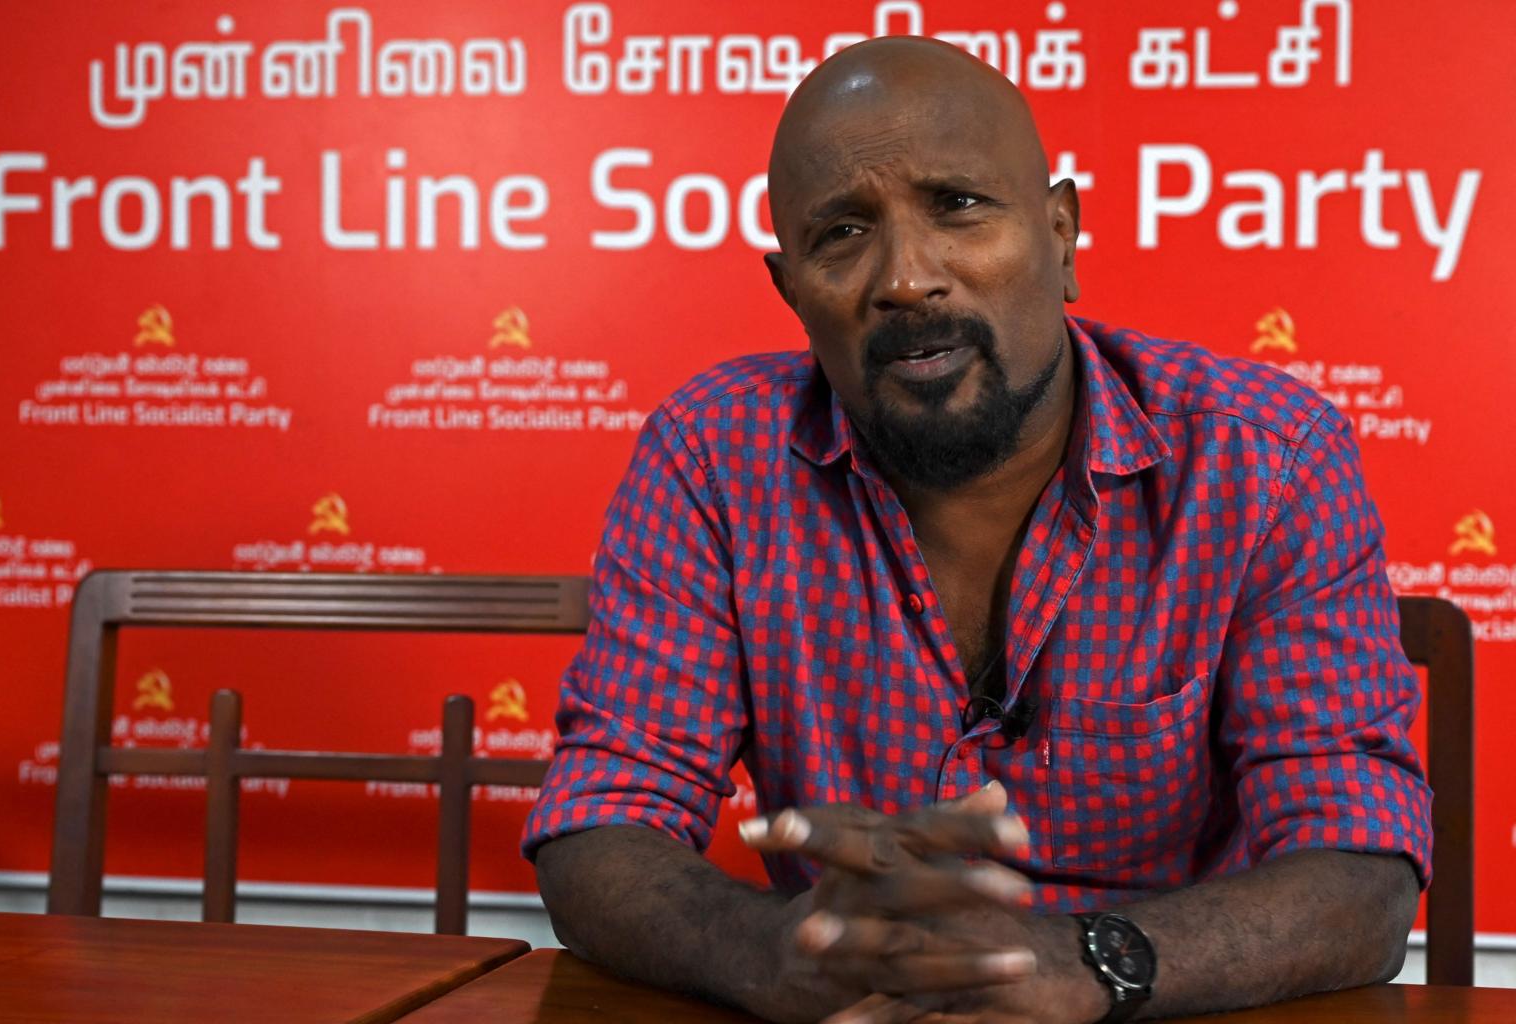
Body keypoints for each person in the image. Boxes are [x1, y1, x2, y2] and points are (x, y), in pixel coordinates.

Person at [522, 36, 1431, 1024]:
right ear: (792, 292)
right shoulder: (710, 456)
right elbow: (602, 819)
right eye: (842, 233)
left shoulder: (1266, 460)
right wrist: (770, 952)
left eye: (957, 204)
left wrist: (1079, 963)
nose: (907, 278)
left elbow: (1360, 874)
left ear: (1061, 236)